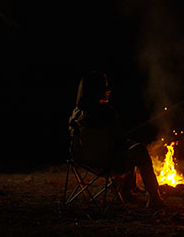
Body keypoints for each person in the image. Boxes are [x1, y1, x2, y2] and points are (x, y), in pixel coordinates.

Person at [68, 71, 164, 209]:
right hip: (106, 163)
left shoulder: (76, 113)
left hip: (83, 160)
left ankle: (127, 191)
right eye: (104, 87)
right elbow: (118, 142)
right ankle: (154, 197)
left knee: (130, 147)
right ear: (96, 90)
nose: (108, 90)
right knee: (138, 150)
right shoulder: (107, 112)